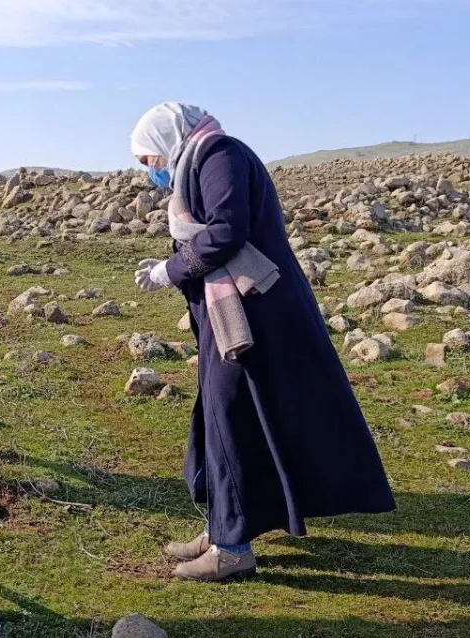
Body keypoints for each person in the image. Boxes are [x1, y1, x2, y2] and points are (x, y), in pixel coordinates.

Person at [130, 102, 395, 582]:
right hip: (234, 312)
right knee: (223, 414)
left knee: (231, 414)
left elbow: (227, 231)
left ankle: (232, 547)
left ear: (169, 138)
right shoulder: (200, 160)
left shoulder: (219, 155)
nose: (152, 171)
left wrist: (170, 270)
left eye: (150, 160)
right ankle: (222, 528)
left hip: (254, 316)